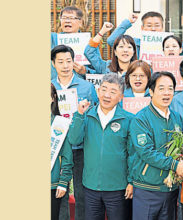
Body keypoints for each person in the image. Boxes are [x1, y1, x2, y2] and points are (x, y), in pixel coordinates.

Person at [67, 73, 134, 220]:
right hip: (90, 186)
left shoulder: (129, 119)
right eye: (104, 89)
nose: (107, 95)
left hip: (118, 187)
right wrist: (79, 114)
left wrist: (131, 181)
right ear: (97, 92)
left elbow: (133, 154)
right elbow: (73, 139)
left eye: (113, 91)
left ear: (121, 96)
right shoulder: (86, 115)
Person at [129, 71, 183, 220]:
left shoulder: (177, 118)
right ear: (151, 91)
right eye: (161, 88)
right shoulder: (141, 119)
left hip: (170, 189)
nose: (166, 93)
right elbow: (146, 152)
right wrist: (175, 165)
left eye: (170, 89)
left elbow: (182, 147)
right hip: (147, 190)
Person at [51, 45, 98, 220]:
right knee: (58, 192)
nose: (65, 65)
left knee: (81, 193)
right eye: (60, 62)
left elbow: (93, 116)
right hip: (57, 148)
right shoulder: (49, 87)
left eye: (68, 61)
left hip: (80, 147)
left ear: (73, 62)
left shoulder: (87, 87)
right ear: (53, 64)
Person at [51, 6, 96, 80]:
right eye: (64, 18)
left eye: (71, 18)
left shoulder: (89, 42)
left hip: (80, 86)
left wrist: (85, 71)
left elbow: (98, 70)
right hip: (56, 86)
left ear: (80, 22)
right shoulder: (53, 38)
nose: (67, 21)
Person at [51, 83, 73, 220]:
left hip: (52, 184)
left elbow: (67, 157)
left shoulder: (60, 124)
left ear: (53, 98)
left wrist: (63, 182)